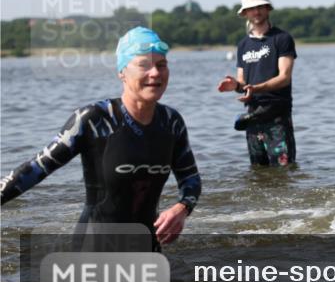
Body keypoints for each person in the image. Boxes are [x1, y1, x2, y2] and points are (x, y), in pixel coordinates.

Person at [0, 27, 201, 248]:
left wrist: (182, 208)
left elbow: (190, 180)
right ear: (122, 72)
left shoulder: (171, 122)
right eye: (144, 65)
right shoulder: (95, 120)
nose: (155, 73)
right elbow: (35, 169)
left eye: (161, 65)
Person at [218, 0, 297, 167]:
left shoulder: (282, 38)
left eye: (260, 6)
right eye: (251, 8)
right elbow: (243, 83)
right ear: (245, 13)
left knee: (284, 170)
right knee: (258, 172)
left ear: (268, 8)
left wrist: (256, 88)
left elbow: (284, 77)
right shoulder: (243, 45)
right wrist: (236, 85)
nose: (256, 11)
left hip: (277, 113)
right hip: (253, 115)